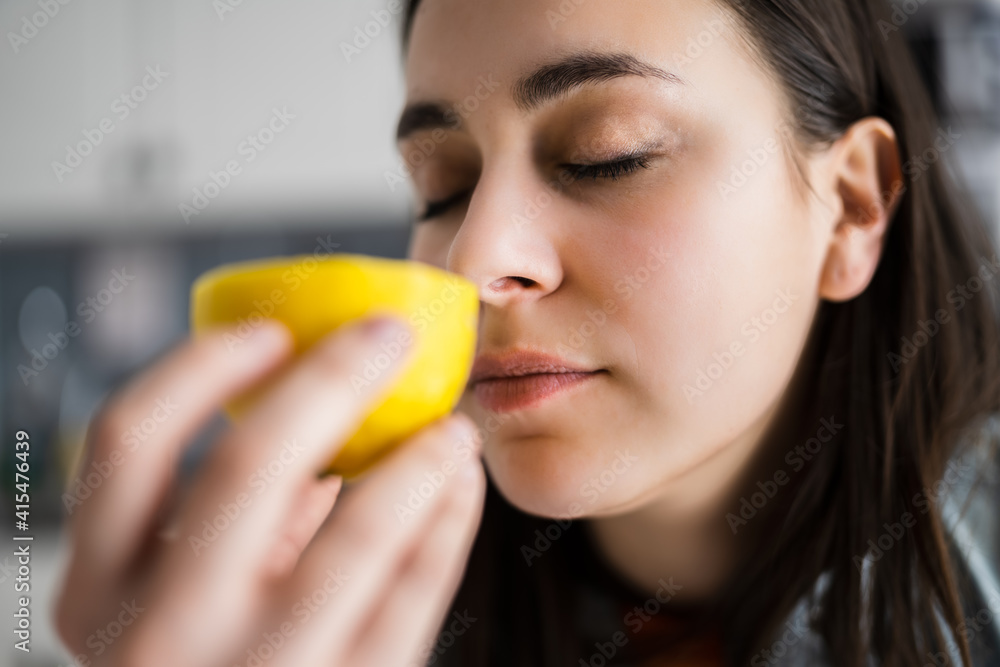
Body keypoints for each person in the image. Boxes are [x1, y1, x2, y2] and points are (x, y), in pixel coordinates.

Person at [55, 0, 1000, 665]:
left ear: (850, 210)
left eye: (607, 155)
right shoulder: (320, 626)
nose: (472, 260)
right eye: (443, 187)